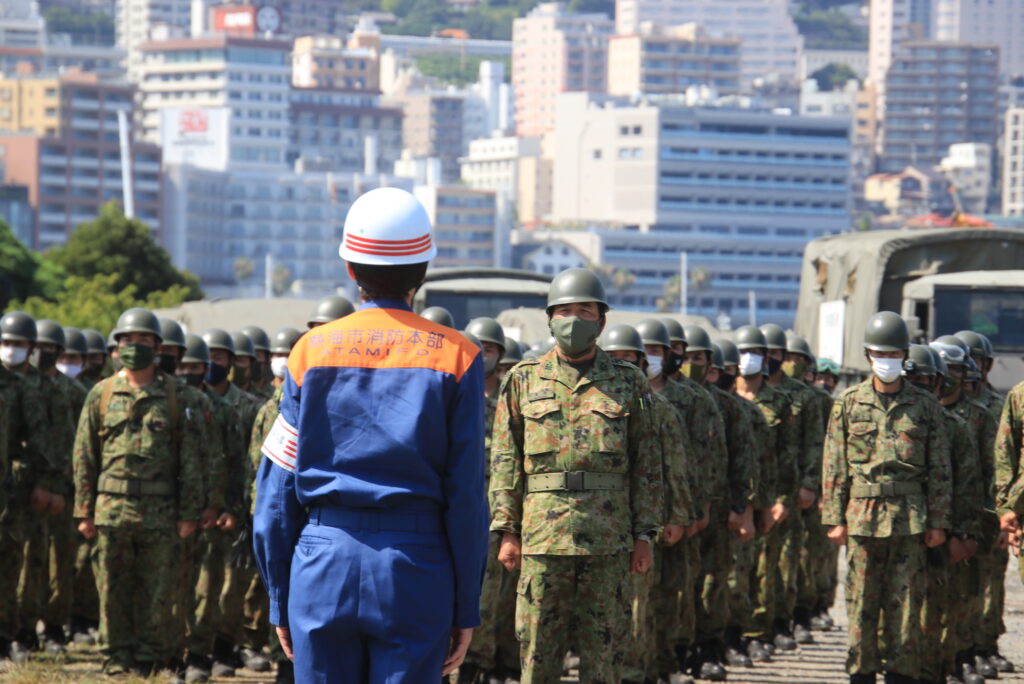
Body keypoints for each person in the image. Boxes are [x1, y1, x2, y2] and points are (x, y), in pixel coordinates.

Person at [254, 187, 489, 682]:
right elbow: (466, 494)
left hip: (322, 561)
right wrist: (465, 606)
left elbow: (276, 493)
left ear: (350, 270)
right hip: (415, 568)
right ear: (423, 272)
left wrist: (281, 595)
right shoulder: (459, 357)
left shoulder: (308, 352)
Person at [490, 268, 661, 684]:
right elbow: (505, 460)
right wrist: (507, 530)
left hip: (608, 541)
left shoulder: (628, 380)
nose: (573, 320)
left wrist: (645, 535)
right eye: (564, 311)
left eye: (585, 311)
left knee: (604, 653)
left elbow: (647, 464)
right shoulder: (522, 380)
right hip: (542, 541)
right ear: (549, 319)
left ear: (602, 321)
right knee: (537, 651)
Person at [821, 311, 952, 684]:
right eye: (881, 354)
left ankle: (900, 673)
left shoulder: (924, 406)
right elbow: (834, 463)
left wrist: (939, 521)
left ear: (904, 356)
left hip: (910, 518)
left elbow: (940, 467)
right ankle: (860, 673)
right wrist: (833, 517)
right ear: (867, 355)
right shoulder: (847, 403)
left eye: (894, 354)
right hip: (862, 517)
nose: (887, 361)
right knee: (861, 602)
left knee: (906, 605)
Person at [72, 307, 203, 676]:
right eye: (128, 340)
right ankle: (116, 656)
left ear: (158, 347)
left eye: (143, 340)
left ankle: (150, 657)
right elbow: (84, 454)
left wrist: (189, 512)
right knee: (111, 589)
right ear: (117, 346)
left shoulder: (177, 396)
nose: (135, 346)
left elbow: (189, 459)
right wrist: (84, 511)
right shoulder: (101, 394)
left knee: (157, 590)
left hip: (161, 511)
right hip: (111, 509)